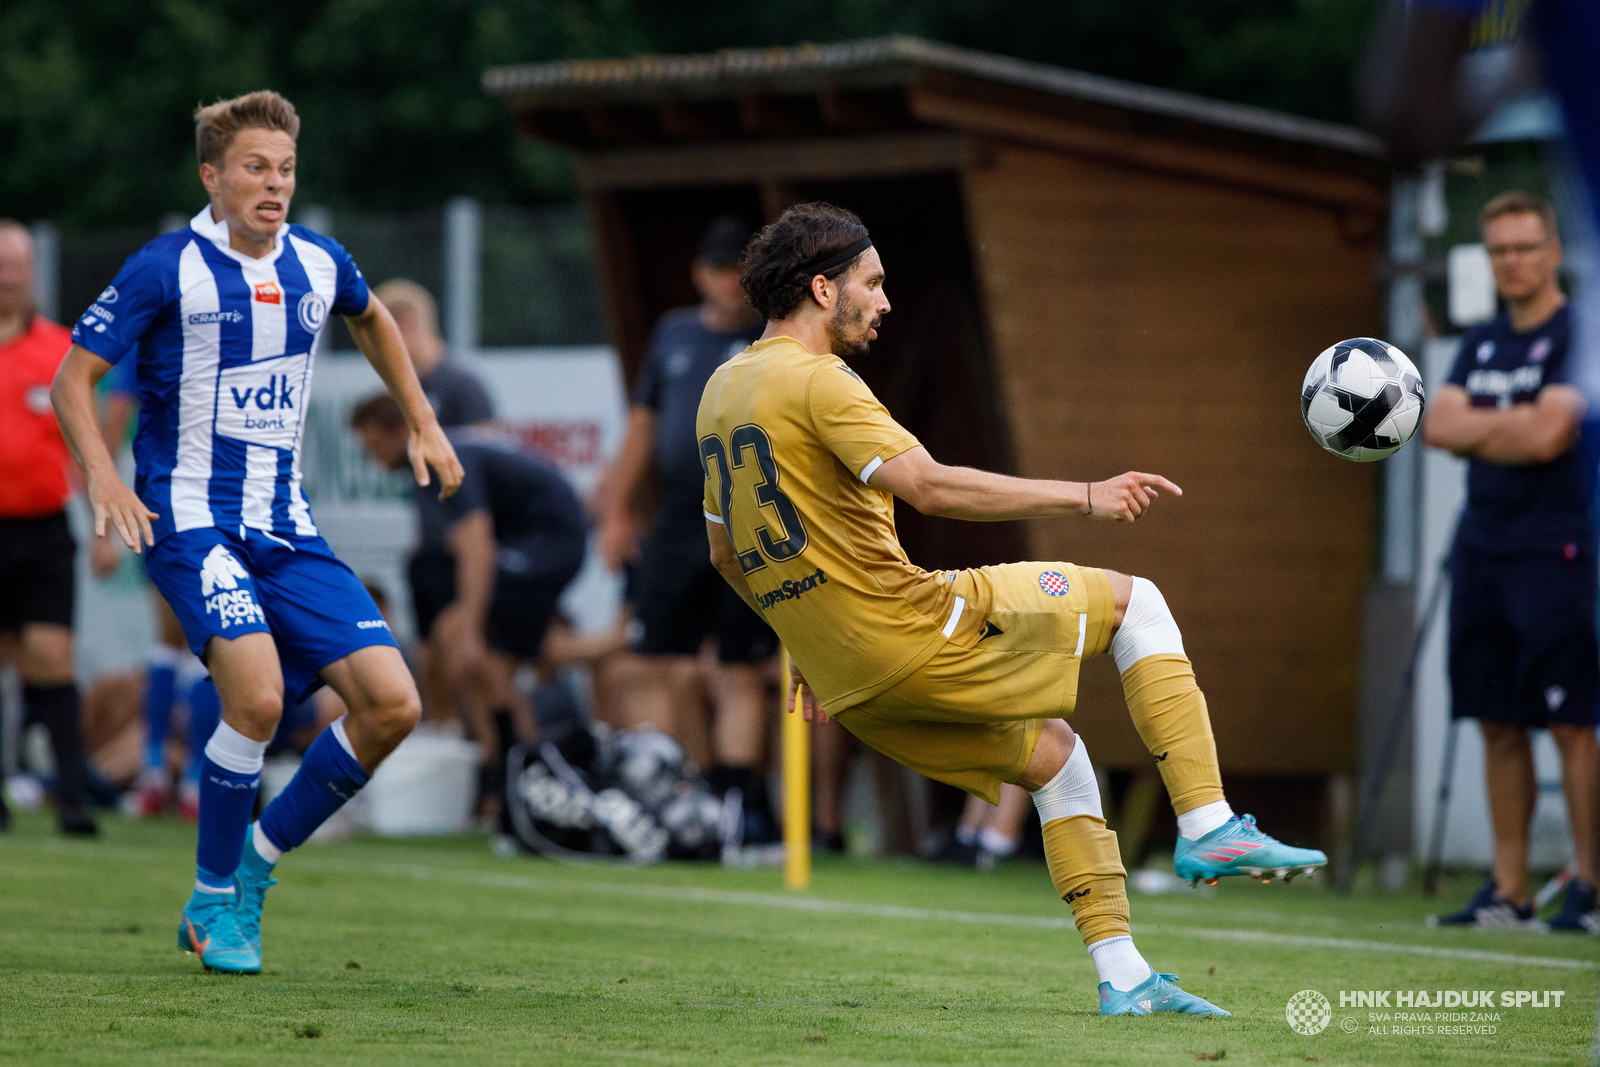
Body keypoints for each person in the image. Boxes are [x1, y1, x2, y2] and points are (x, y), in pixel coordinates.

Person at [699, 202, 1327, 1015]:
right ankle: (1208, 824)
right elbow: (927, 483)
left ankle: (1126, 977)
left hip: (855, 685)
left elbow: (727, 554)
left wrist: (810, 648)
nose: (885, 301)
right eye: (873, 283)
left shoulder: (723, 388)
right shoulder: (819, 380)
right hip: (914, 629)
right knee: (1140, 604)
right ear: (822, 289)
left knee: (1057, 758)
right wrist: (1088, 494)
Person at [49, 90, 463, 975]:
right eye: (253, 169)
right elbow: (72, 380)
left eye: (284, 170)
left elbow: (373, 315)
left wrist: (421, 419)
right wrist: (103, 474)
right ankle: (212, 906)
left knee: (393, 704)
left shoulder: (317, 260)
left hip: (286, 524)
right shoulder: (167, 267)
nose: (273, 185)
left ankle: (252, 870)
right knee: (262, 699)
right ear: (213, 177)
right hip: (191, 519)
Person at [1423, 192, 1599, 934]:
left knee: (1570, 721)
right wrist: (1513, 425)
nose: (1512, 263)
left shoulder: (1579, 333)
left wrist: (1486, 428)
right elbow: (1435, 424)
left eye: (1525, 247)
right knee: (1495, 719)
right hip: (1482, 545)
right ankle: (1510, 889)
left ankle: (1589, 886)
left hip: (1555, 547)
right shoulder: (1482, 341)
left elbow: (1551, 435)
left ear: (1554, 251)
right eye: (1498, 251)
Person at [594, 216, 777, 839]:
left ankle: (737, 805)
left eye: (741, 273)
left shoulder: (771, 339)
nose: (731, 284)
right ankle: (674, 792)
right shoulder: (673, 333)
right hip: (676, 523)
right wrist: (617, 511)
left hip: (748, 519)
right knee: (651, 662)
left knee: (736, 669)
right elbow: (642, 430)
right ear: (702, 273)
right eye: (721, 271)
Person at [351, 393, 588, 802]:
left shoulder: (443, 458)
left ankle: (519, 776)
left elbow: (478, 543)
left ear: (397, 433)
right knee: (460, 647)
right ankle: (506, 769)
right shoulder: (429, 465)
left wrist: (474, 628)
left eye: (373, 447)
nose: (373, 460)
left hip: (552, 542)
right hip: (530, 542)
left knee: (476, 650)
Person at [0, 219, 97, 836]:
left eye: (17, 264)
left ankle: (74, 798)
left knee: (51, 657)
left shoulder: (62, 349)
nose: (9, 276)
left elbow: (83, 444)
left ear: (32, 269)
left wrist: (106, 526)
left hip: (43, 529)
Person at [370, 279, 495, 730]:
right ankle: (449, 751)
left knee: (459, 653)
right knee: (429, 661)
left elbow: (490, 461)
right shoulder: (407, 391)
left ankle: (483, 752)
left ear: (404, 325)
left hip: (460, 550)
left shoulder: (460, 385)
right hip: (429, 547)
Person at [94, 342, 208, 819]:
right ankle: (192, 783)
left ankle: (160, 775)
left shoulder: (152, 329)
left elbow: (115, 420)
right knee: (206, 642)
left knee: (172, 642)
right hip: (199, 498)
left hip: (165, 497)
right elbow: (117, 416)